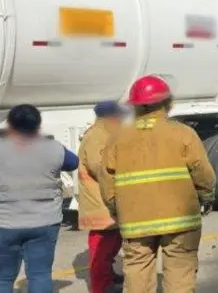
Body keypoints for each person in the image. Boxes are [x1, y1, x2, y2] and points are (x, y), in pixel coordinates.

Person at [99, 75, 216, 293]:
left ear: (134, 107)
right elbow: (203, 172)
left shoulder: (117, 138)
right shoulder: (183, 133)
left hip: (135, 221)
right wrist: (207, 196)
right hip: (181, 220)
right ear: (167, 102)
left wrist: (116, 206)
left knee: (137, 277)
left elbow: (107, 180)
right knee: (180, 276)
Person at [0, 104, 79, 293]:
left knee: (3, 277)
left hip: (5, 222)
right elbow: (73, 162)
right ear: (38, 125)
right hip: (45, 221)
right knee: (40, 274)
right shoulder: (53, 147)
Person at [78, 101, 127, 293]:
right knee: (101, 250)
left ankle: (108, 276)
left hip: (107, 202)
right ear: (112, 117)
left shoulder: (106, 133)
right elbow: (102, 168)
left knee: (113, 243)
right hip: (100, 204)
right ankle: (101, 286)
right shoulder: (97, 136)